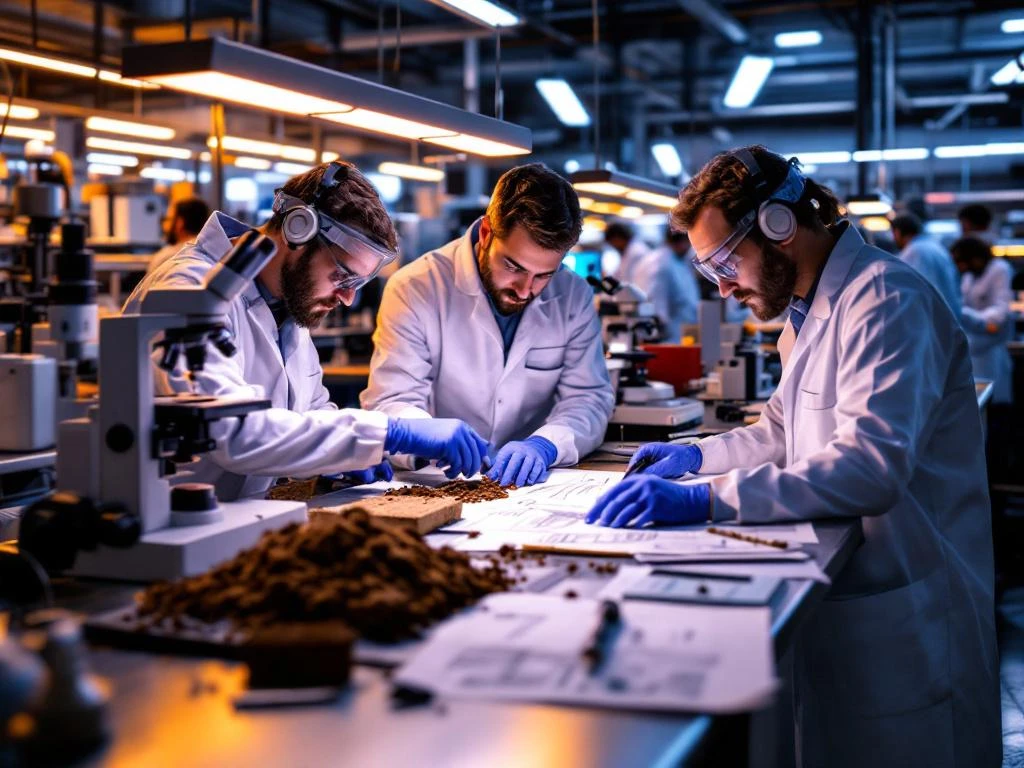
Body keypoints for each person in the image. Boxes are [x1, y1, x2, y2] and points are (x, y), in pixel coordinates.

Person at [586, 146, 999, 768]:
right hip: (851, 589)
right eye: (710, 271)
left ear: (779, 224)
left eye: (727, 263)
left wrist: (704, 500)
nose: (724, 288)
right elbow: (779, 431)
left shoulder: (887, 300)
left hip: (910, 606)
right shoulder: (804, 315)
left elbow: (870, 469)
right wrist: (693, 457)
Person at [123, 161, 491, 501]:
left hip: (238, 517)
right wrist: (388, 432)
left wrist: (340, 458)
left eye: (358, 283)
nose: (348, 298)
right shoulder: (187, 290)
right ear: (297, 230)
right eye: (342, 275)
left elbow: (311, 412)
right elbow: (233, 431)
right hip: (168, 522)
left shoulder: (286, 304)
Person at [362, 163, 614, 488]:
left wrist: (546, 445)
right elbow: (391, 399)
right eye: (513, 266)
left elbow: (588, 398)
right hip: (436, 478)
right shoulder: (416, 287)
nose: (525, 290)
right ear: (485, 233)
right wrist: (421, 434)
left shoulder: (573, 295)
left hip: (532, 485)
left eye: (544, 275)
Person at [951, 235, 1015, 405]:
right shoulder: (969, 275)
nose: (961, 267)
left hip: (991, 348)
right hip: (972, 350)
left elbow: (1000, 314)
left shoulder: (999, 269)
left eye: (963, 262)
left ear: (976, 258)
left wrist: (963, 313)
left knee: (995, 404)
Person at [890, 212, 961, 314]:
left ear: (897, 232)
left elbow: (915, 292)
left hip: (934, 316)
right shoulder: (934, 246)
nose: (893, 239)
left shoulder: (914, 251)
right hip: (949, 313)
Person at [640, 229, 700, 343]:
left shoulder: (676, 259)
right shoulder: (661, 264)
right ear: (683, 241)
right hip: (669, 338)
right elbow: (656, 304)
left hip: (681, 335)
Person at [147, 197, 210, 274]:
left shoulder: (165, 258)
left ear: (180, 223)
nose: (164, 225)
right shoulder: (211, 254)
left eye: (168, 219)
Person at [604, 220, 653, 285]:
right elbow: (618, 275)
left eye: (612, 242)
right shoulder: (627, 251)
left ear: (617, 237)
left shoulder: (637, 252)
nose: (613, 246)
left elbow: (629, 280)